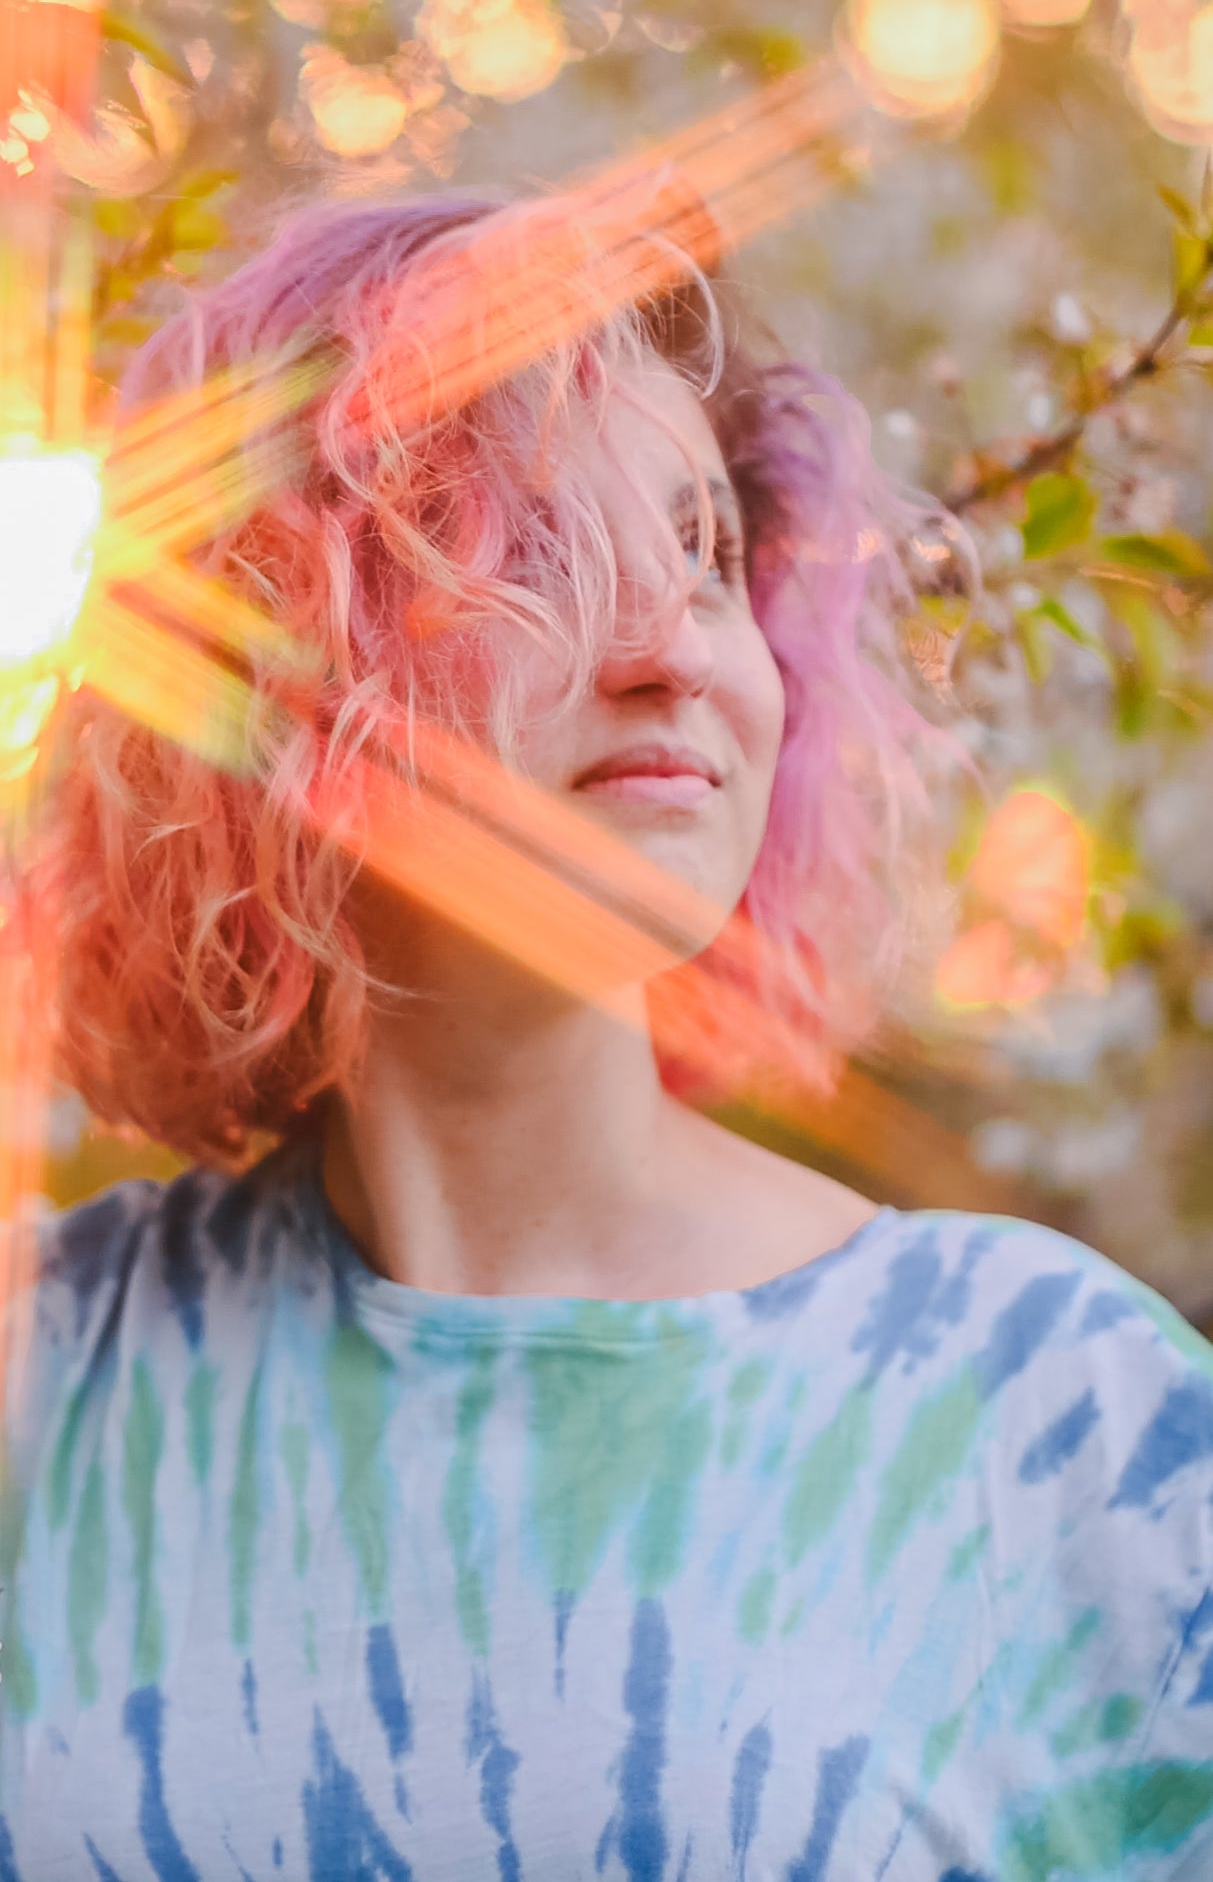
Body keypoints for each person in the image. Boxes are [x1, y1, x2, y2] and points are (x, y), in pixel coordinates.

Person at [2, 191, 1212, 1882]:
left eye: (706, 556)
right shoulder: (45, 1375)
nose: (667, 652)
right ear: (286, 667)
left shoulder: (1063, 1419)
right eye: (539, 555)